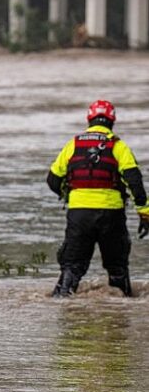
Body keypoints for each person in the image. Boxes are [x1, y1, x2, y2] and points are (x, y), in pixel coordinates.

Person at [47, 99, 149, 297]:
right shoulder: (118, 146)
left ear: (89, 120)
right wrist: (145, 213)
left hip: (79, 214)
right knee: (117, 267)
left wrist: (67, 194)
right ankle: (122, 308)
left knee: (71, 267)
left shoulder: (73, 145)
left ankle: (60, 307)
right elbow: (134, 182)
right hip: (111, 215)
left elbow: (52, 180)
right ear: (112, 121)